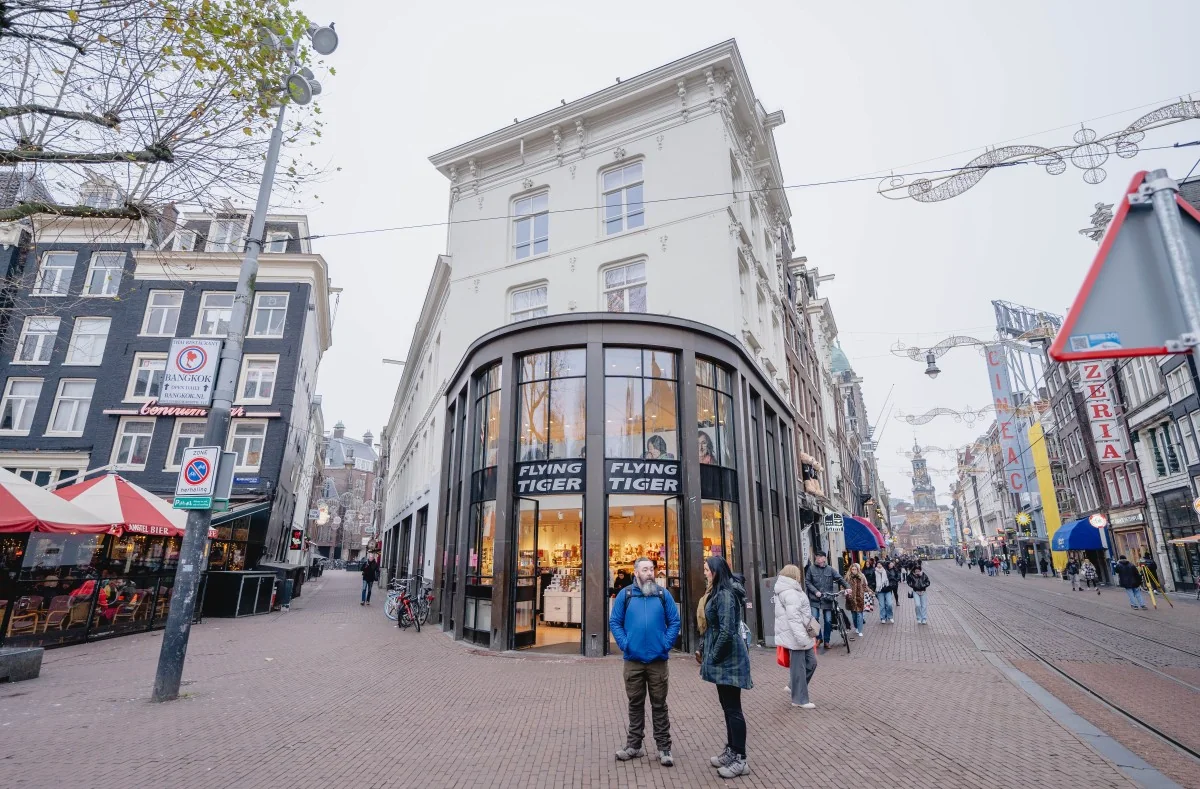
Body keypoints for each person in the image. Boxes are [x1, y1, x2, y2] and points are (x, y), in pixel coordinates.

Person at [610, 557, 682, 766]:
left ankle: (664, 748)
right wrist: (625, 644)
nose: (650, 573)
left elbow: (674, 621)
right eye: (645, 569)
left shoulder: (662, 595)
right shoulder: (626, 595)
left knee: (659, 704)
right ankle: (634, 746)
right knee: (635, 703)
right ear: (636, 573)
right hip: (633, 660)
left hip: (658, 660)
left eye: (651, 569)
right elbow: (615, 621)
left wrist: (665, 644)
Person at [699, 556, 752, 778]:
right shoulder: (719, 592)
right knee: (727, 706)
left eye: (707, 570)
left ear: (716, 571)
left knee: (733, 708)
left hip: (729, 659)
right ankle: (731, 750)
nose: (705, 573)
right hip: (724, 657)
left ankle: (740, 758)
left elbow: (727, 630)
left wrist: (713, 656)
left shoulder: (725, 595)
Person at [773, 564, 818, 709]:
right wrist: (802, 639)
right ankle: (800, 699)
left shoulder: (789, 590)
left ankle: (793, 687)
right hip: (797, 636)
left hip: (798, 634)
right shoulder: (790, 593)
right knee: (800, 667)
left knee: (810, 663)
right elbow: (794, 619)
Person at [805, 552, 849, 649]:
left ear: (824, 558)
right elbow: (807, 582)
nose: (818, 559)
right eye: (817, 557)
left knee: (828, 620)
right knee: (815, 618)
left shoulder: (830, 569)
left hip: (827, 599)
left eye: (820, 557)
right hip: (815, 599)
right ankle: (819, 638)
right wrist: (815, 591)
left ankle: (827, 641)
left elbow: (840, 578)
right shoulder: (811, 569)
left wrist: (847, 587)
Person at [845, 562, 869, 637]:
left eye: (855, 569)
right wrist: (845, 592)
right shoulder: (848, 577)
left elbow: (865, 586)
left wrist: (870, 592)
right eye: (852, 569)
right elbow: (843, 585)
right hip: (851, 599)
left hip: (860, 598)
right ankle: (856, 626)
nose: (854, 570)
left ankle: (860, 629)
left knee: (860, 614)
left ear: (858, 570)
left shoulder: (861, 577)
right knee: (854, 615)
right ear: (850, 570)